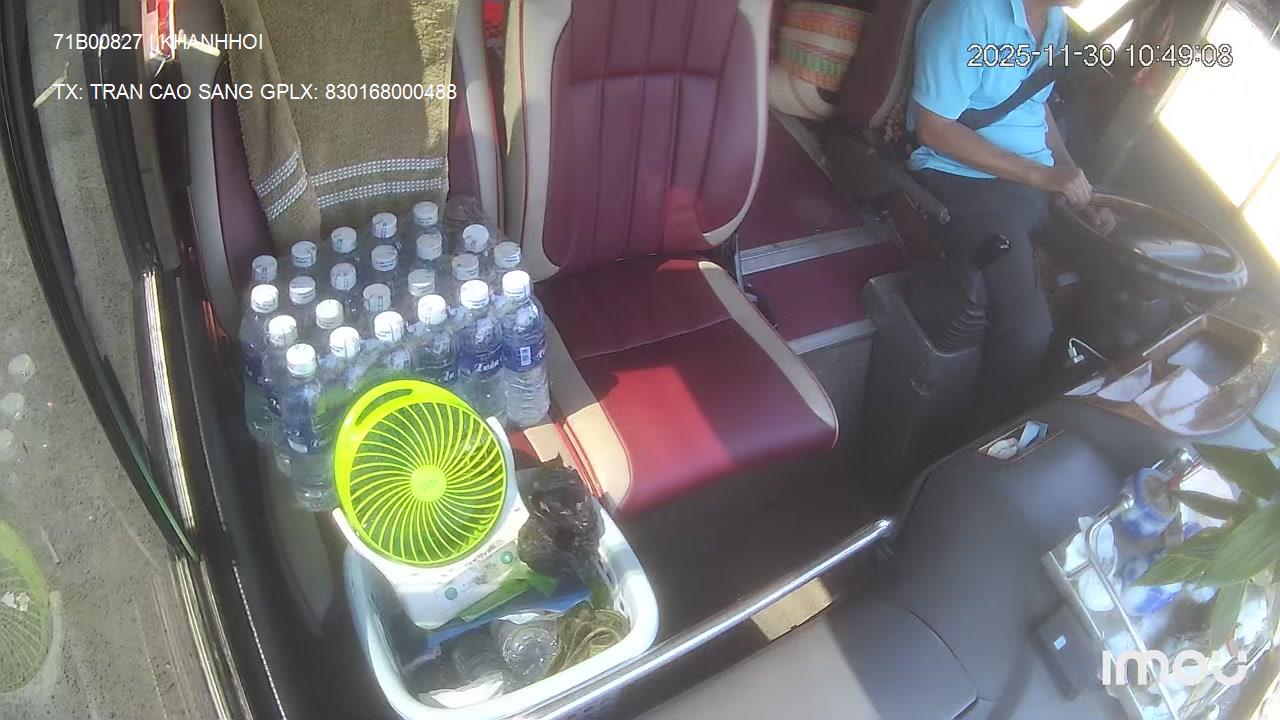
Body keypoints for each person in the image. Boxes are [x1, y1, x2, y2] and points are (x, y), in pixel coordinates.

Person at [908, 0, 1114, 421]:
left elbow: (1035, 103)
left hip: (1035, 178)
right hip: (965, 178)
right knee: (1026, 331)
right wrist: (1041, 176)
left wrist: (1071, 176)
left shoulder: (1054, 20)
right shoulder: (967, 13)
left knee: (1117, 267)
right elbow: (933, 128)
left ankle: (1082, 399)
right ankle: (989, 435)